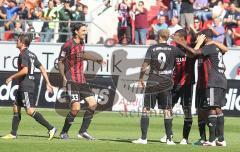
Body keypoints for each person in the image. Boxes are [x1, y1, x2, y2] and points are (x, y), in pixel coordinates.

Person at [174, 29, 228, 146]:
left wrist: (180, 42)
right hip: (203, 84)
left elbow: (192, 52)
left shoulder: (209, 47)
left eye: (200, 37)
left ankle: (213, 139)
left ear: (204, 37)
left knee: (212, 108)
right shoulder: (209, 48)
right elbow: (192, 53)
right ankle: (214, 139)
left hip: (212, 81)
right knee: (205, 110)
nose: (197, 39)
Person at [132, 29, 185, 145]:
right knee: (167, 110)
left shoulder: (152, 48)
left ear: (159, 36)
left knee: (146, 109)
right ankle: (169, 139)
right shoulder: (173, 49)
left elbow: (144, 66)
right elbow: (186, 53)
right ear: (167, 37)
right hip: (166, 82)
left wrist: (141, 78)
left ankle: (143, 138)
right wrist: (179, 41)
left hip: (153, 80)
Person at [1, 33, 57, 140]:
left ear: (22, 43)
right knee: (16, 107)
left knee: (30, 111)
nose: (16, 41)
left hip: (26, 86)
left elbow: (25, 70)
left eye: (18, 40)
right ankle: (13, 133)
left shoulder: (23, 54)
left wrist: (11, 77)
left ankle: (51, 128)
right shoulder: (32, 54)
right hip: (25, 85)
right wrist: (48, 82)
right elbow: (42, 68)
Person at [58, 23, 104, 140]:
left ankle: (83, 131)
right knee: (76, 108)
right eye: (83, 30)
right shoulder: (67, 45)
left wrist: (97, 59)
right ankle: (64, 132)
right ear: (76, 32)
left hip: (81, 80)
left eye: (85, 30)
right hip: (71, 80)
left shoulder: (82, 43)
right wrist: (63, 76)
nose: (85, 32)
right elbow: (60, 62)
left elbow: (82, 54)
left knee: (93, 104)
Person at [160, 29, 195, 145]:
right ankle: (168, 134)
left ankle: (185, 138)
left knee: (186, 110)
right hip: (174, 83)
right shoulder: (174, 49)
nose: (173, 37)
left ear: (182, 38)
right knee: (168, 108)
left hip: (187, 84)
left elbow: (193, 55)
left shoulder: (190, 48)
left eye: (176, 36)